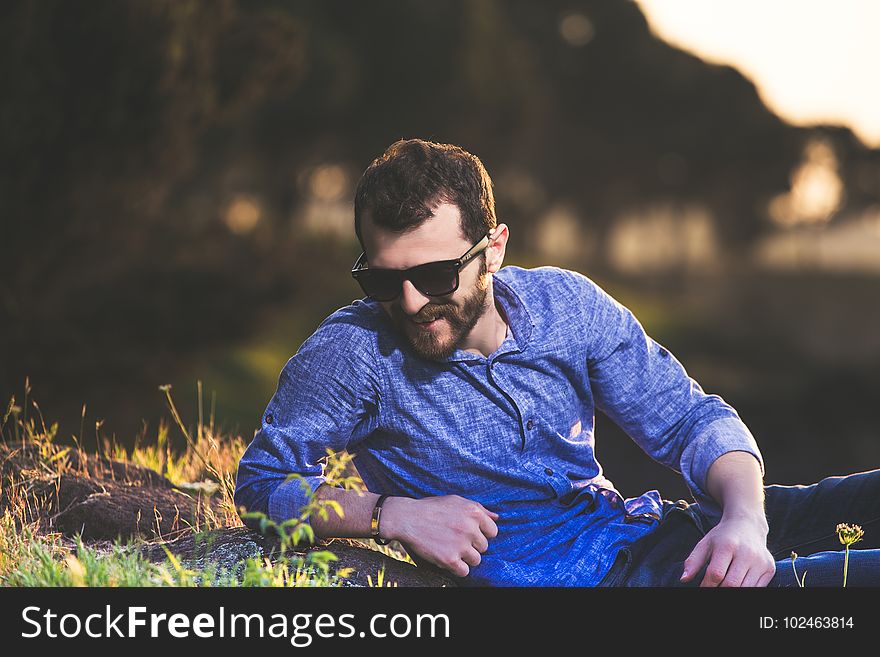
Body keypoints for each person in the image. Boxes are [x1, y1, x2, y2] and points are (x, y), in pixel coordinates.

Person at [234, 138, 880, 587]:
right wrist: (389, 514)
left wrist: (744, 518)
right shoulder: (352, 352)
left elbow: (689, 420)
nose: (407, 301)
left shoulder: (565, 305)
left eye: (433, 275)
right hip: (627, 585)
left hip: (663, 527)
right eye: (381, 280)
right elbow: (263, 483)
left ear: (493, 251)